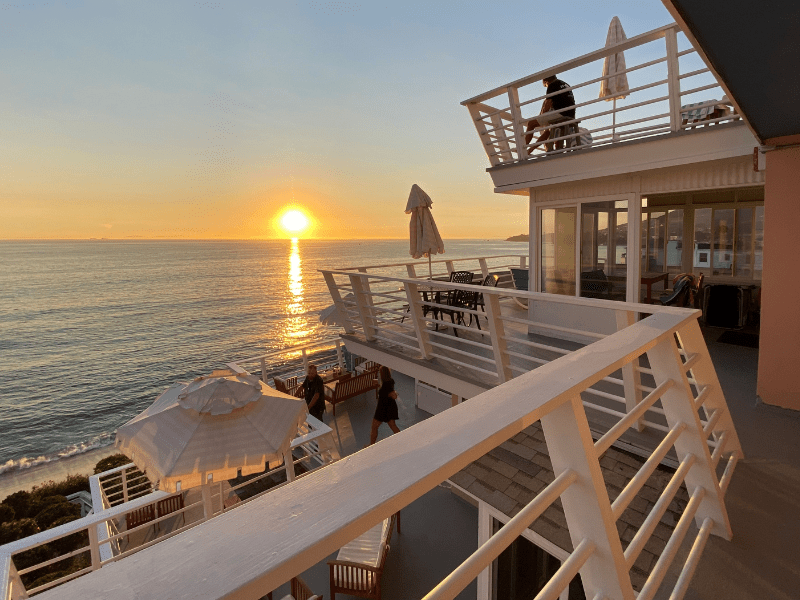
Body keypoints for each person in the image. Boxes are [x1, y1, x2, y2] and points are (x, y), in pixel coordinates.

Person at [525, 75, 576, 153]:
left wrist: (540, 119)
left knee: (531, 124)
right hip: (570, 115)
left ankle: (523, 148)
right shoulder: (564, 84)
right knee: (548, 131)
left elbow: (547, 106)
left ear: (545, 81)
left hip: (561, 113)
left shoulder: (552, 85)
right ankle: (529, 150)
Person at [369, 366, 400, 445]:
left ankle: (371, 446)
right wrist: (378, 385)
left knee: (374, 427)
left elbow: (393, 395)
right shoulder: (390, 381)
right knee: (393, 426)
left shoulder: (386, 384)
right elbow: (387, 392)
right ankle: (402, 440)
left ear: (382, 374)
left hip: (383, 408)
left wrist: (393, 393)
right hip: (390, 407)